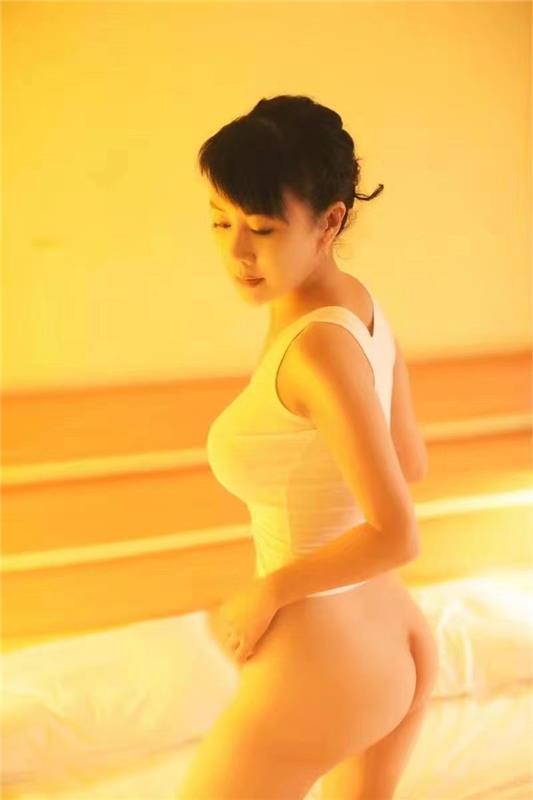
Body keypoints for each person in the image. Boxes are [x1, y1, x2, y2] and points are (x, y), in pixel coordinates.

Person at [176, 94, 439, 800]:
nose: (237, 252)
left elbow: (397, 534)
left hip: (321, 660)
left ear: (330, 221)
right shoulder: (355, 306)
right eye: (220, 221)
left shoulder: (316, 349)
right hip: (393, 634)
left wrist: (270, 591)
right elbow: (409, 461)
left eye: (262, 228)